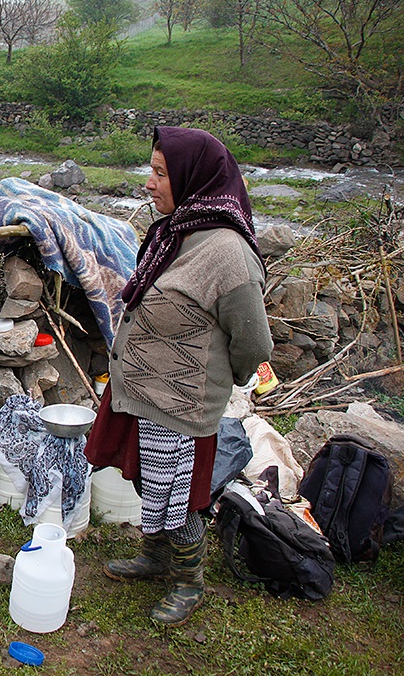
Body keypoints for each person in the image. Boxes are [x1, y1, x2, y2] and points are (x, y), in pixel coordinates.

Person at [85, 127, 273, 626]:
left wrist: (213, 383)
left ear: (195, 178)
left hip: (184, 404)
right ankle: (154, 556)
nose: (148, 183)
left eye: (161, 173)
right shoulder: (174, 231)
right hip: (146, 392)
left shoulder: (226, 253)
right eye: (151, 169)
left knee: (182, 496)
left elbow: (253, 342)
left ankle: (190, 581)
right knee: (152, 479)